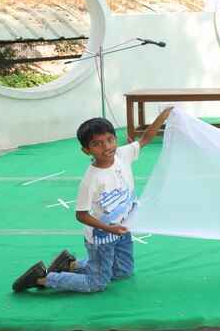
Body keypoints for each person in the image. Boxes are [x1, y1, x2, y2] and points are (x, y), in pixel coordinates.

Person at [12, 107, 173, 293]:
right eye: (97, 144)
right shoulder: (91, 180)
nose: (107, 147)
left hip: (122, 229)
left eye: (110, 140)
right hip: (101, 237)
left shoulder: (122, 155)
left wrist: (164, 115)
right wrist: (109, 228)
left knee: (123, 272)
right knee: (97, 283)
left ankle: (70, 264)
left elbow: (145, 139)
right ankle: (42, 278)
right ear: (86, 150)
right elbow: (81, 215)